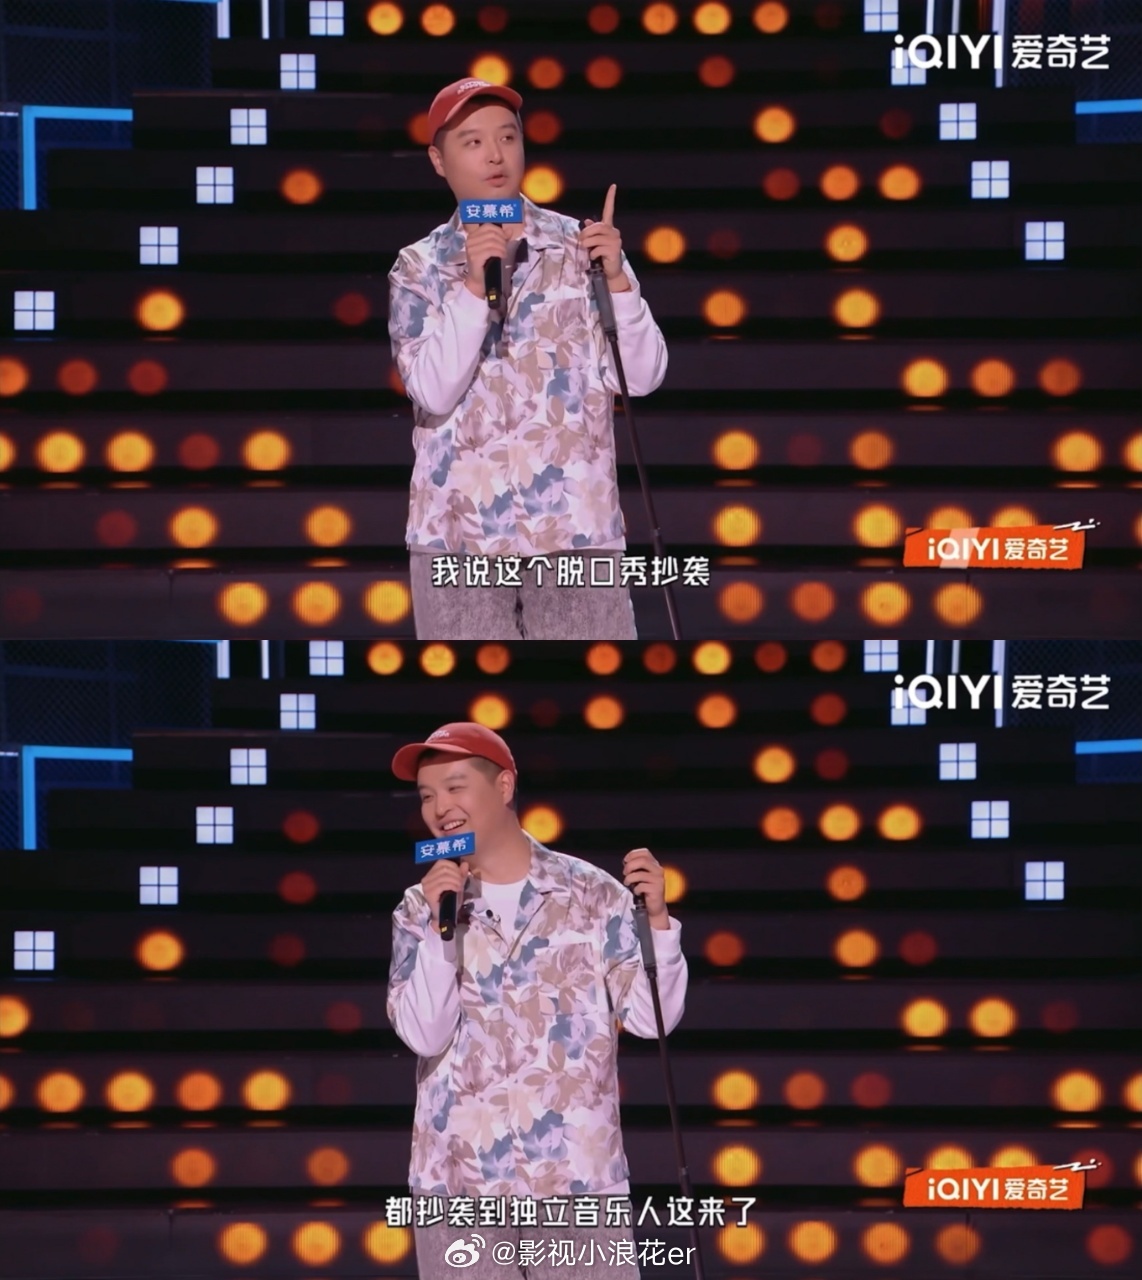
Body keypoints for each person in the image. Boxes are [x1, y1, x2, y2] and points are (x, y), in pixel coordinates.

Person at [385, 722, 688, 1280]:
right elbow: (425, 1034)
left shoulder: (594, 895)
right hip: (458, 1187)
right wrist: (438, 930)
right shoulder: (417, 909)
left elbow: (651, 1019)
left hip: (577, 1183)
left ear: (503, 786)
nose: (440, 808)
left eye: (455, 787)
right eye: (427, 796)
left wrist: (660, 926)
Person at [388, 78, 669, 641]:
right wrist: (473, 287)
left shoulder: (584, 248)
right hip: (458, 538)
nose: (494, 155)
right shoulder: (418, 267)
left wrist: (618, 282)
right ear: (438, 161)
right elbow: (432, 390)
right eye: (472, 142)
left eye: (507, 137)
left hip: (576, 534)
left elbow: (642, 377)